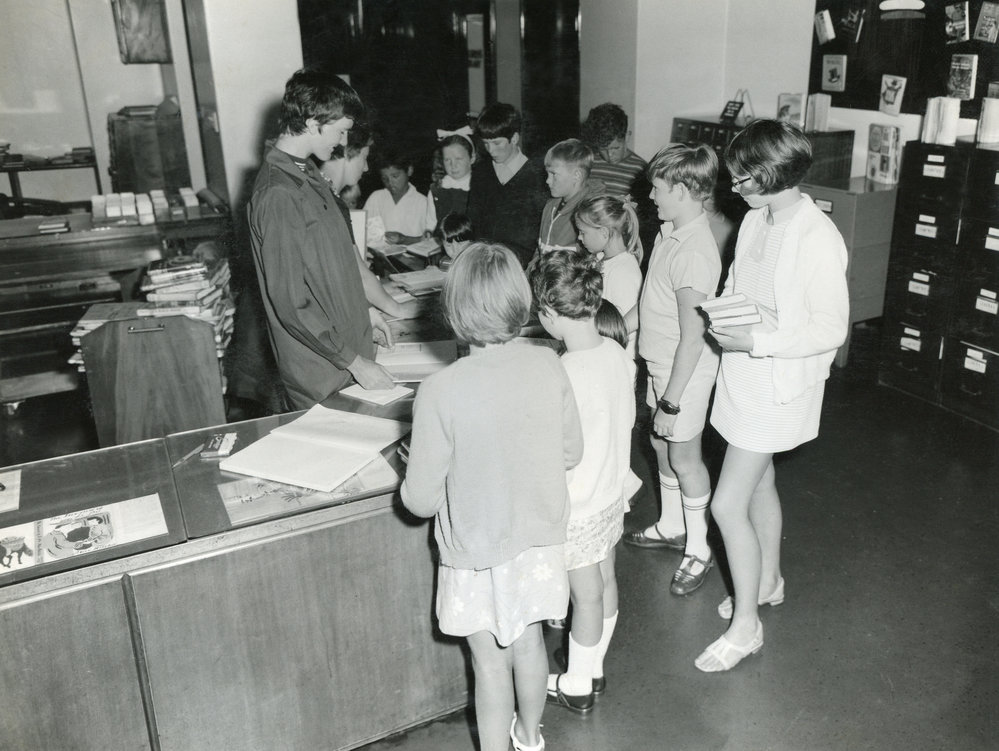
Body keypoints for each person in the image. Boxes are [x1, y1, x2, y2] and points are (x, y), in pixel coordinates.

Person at [400, 243, 584, 751]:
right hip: (540, 544)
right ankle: (530, 737)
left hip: (477, 553)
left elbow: (419, 501)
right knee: (529, 646)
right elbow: (571, 452)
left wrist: (410, 470)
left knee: (487, 663)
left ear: (454, 310)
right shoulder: (549, 364)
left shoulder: (440, 388)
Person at [695, 120, 848, 672]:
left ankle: (746, 627)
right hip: (744, 369)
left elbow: (831, 328)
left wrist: (757, 338)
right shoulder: (759, 219)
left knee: (726, 503)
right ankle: (768, 582)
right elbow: (742, 284)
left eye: (742, 179)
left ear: (771, 175)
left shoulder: (817, 237)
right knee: (760, 482)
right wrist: (727, 312)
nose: (734, 189)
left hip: (778, 381)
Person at [247, 68, 394, 410]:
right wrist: (355, 363)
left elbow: (331, 265)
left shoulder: (307, 172)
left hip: (342, 355)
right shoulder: (278, 194)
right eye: (341, 131)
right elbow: (291, 303)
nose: (344, 143)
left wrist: (361, 314)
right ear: (314, 123)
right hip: (323, 373)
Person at [529, 249, 635, 714]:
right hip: (611, 491)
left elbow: (553, 448)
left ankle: (575, 685)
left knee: (584, 596)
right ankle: (591, 666)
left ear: (550, 315)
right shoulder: (616, 353)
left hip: (580, 504)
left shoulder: (564, 371)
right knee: (605, 582)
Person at [622, 144, 722, 599]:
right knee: (661, 448)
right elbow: (651, 301)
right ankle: (670, 526)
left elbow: (694, 335)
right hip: (661, 365)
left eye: (658, 189)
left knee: (684, 457)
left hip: (684, 374)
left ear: (682, 190)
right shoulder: (669, 232)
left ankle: (699, 547)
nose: (651, 197)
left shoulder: (694, 253)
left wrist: (671, 401)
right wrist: (619, 328)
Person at [318, 123, 417, 320]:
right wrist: (401, 311)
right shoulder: (322, 200)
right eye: (364, 158)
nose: (366, 167)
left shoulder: (330, 197)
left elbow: (356, 268)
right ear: (347, 152)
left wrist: (378, 288)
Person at [466, 103, 549, 267]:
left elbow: (540, 233)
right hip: (484, 262)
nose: (491, 150)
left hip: (520, 266)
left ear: (515, 138)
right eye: (486, 143)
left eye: (497, 143)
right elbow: (473, 221)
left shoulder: (539, 176)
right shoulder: (481, 172)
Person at [573, 193, 643, 357]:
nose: (579, 237)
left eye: (583, 232)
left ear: (604, 232)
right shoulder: (600, 258)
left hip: (617, 355)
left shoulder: (624, 271)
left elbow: (623, 328)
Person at [536, 139, 606, 256]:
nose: (548, 181)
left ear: (577, 175)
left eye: (553, 174)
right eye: (547, 174)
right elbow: (540, 251)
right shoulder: (550, 206)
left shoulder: (590, 213)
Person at [580, 103, 648, 198]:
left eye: (616, 148)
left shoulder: (642, 170)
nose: (610, 155)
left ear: (627, 136)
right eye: (603, 149)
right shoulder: (588, 164)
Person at [363, 150, 430, 245]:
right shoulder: (376, 198)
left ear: (409, 171)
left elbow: (430, 241)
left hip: (411, 258)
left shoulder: (423, 202)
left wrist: (405, 240)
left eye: (395, 176)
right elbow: (362, 231)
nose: (390, 183)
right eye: (385, 179)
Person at [426, 126, 475, 232]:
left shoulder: (480, 186)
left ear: (472, 158)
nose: (453, 165)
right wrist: (428, 232)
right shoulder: (437, 189)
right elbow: (431, 223)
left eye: (458, 159)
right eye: (447, 160)